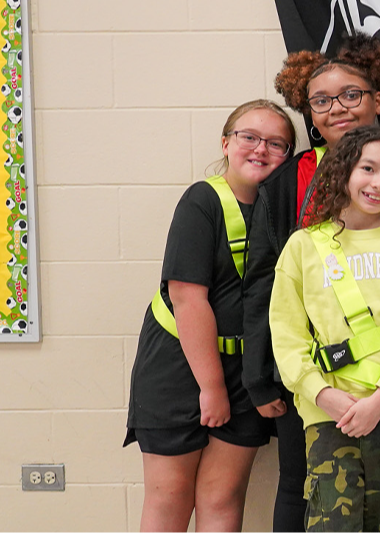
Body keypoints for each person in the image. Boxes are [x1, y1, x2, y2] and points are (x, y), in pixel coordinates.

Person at [244, 32, 380, 532]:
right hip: (317, 391)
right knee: (313, 499)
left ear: (376, 100)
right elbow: (274, 301)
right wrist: (288, 381)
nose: (377, 182)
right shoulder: (290, 199)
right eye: (323, 100)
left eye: (352, 95)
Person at [125, 99, 295, 533]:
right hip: (182, 367)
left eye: (277, 144)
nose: (261, 150)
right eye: (249, 137)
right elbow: (187, 299)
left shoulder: (283, 210)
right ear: (226, 142)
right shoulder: (202, 200)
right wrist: (211, 388)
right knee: (171, 498)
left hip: (248, 369)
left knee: (222, 497)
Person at [268, 125, 380, 533]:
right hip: (328, 413)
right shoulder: (303, 246)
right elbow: (287, 333)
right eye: (368, 168)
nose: (379, 184)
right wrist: (320, 393)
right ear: (344, 169)